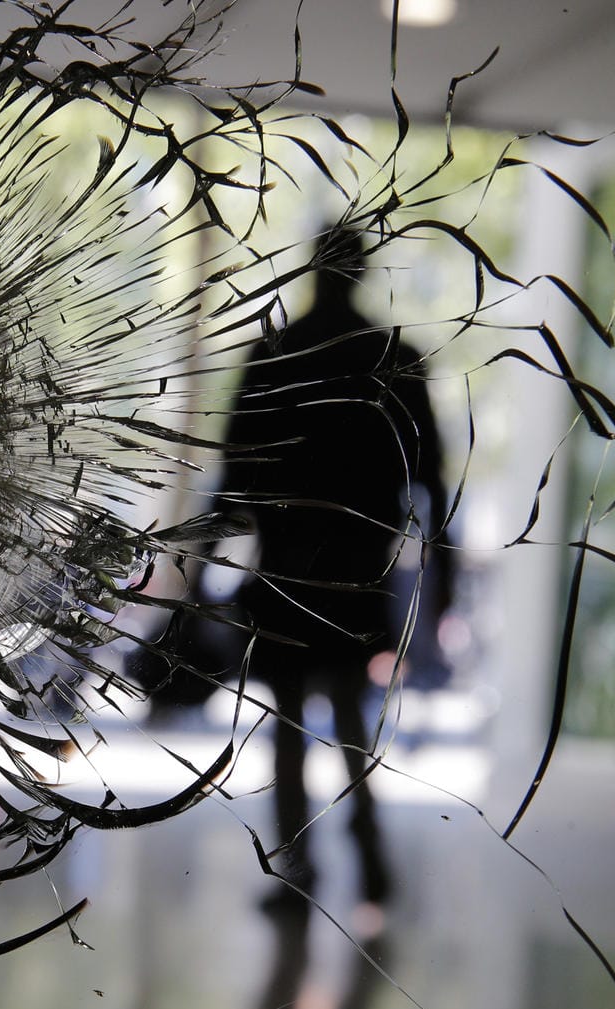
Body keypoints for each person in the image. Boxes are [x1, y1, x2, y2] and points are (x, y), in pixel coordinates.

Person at [197, 231, 452, 905]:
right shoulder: (395, 358)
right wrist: (439, 582)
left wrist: (197, 574)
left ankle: (301, 869)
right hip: (355, 570)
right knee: (344, 717)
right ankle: (366, 862)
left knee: (288, 723)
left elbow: (230, 478)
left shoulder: (273, 354)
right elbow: (431, 482)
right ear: (362, 272)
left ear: (312, 270)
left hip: (285, 569)